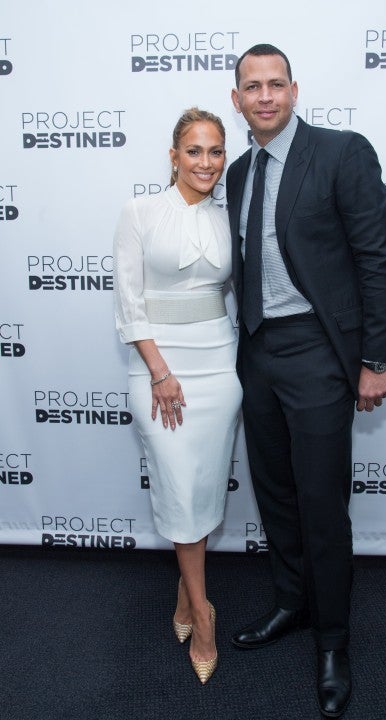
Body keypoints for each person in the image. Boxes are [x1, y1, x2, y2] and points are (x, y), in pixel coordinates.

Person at [227, 44, 386, 717]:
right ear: (237, 99)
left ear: (294, 91)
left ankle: (333, 642)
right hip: (257, 352)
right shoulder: (238, 172)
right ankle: (292, 603)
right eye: (252, 87)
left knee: (321, 504)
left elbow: (379, 261)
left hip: (318, 352)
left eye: (276, 84)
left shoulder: (340, 152)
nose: (265, 96)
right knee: (275, 493)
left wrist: (374, 360)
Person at [113, 107, 242, 685]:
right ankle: (204, 614)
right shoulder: (139, 212)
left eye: (215, 152)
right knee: (178, 485)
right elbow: (128, 301)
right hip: (158, 369)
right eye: (194, 151)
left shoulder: (228, 217)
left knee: (203, 487)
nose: (205, 163)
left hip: (219, 366)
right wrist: (160, 372)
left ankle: (188, 594)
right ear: (173, 157)